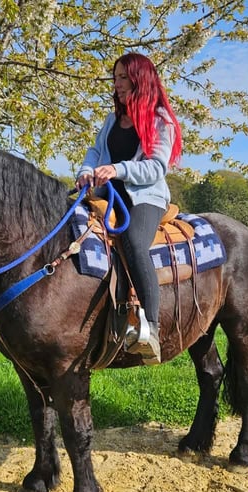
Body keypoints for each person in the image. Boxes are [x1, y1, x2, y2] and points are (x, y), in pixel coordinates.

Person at [76, 52, 183, 364]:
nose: (117, 83)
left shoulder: (161, 120)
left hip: (145, 197)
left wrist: (117, 169)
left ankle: (152, 329)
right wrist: (86, 170)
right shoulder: (112, 119)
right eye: (116, 77)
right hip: (108, 195)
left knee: (134, 243)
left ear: (140, 80)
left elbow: (156, 167)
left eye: (123, 77)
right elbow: (95, 150)